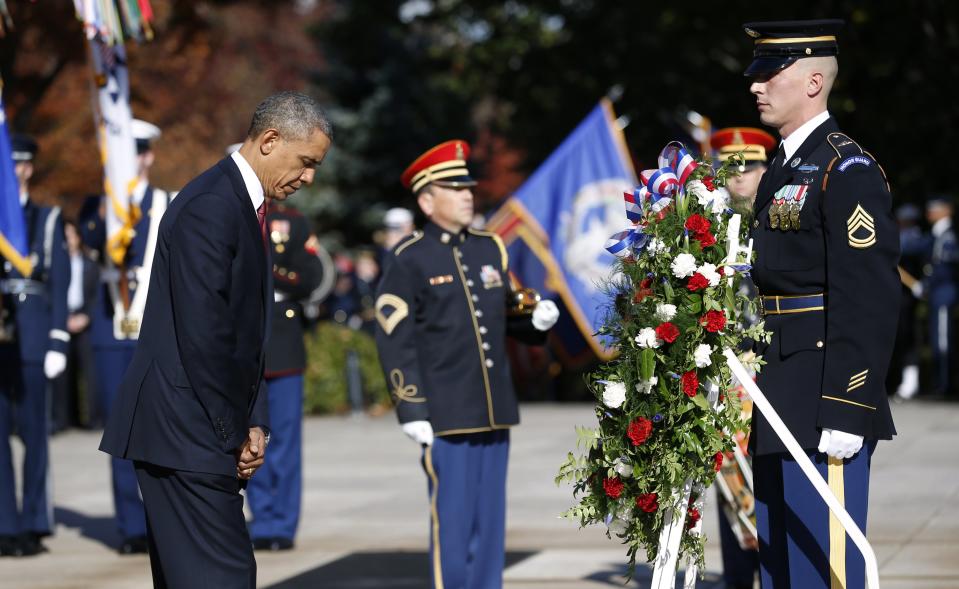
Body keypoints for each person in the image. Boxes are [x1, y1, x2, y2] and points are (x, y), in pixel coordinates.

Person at [99, 92, 333, 587]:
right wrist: (236, 431)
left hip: (197, 431)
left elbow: (247, 338)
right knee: (223, 577)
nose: (310, 177)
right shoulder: (213, 205)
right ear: (270, 141)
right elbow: (205, 333)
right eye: (307, 162)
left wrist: (258, 422)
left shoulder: (240, 204)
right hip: (187, 432)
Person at [743, 20, 899, 588]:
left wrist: (848, 404)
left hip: (820, 397)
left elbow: (869, 295)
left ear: (813, 80)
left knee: (826, 568)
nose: (756, 86)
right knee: (782, 564)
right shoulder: (782, 167)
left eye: (769, 74)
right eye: (755, 74)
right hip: (778, 389)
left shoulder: (845, 168)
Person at [374, 140, 560, 589]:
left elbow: (505, 312)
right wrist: (411, 408)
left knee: (490, 522)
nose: (465, 195)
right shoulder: (409, 259)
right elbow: (394, 339)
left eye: (466, 187)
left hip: (492, 406)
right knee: (453, 524)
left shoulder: (488, 247)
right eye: (452, 188)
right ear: (425, 199)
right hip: (445, 412)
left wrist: (534, 321)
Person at [79, 119, 169, 554]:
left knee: (161, 428)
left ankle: (162, 519)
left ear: (148, 155)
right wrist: (109, 208)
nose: (129, 161)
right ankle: (131, 526)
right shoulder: (99, 205)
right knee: (120, 431)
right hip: (111, 326)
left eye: (135, 153)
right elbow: (92, 241)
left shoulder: (167, 202)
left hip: (154, 327)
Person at [709, 126, 775, 589]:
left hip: (771, 369)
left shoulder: (779, 221)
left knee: (771, 477)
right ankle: (738, 576)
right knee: (729, 479)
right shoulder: (707, 230)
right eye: (729, 168)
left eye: (747, 167)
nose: (738, 177)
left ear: (764, 169)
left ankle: (773, 571)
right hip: (725, 373)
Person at [0, 134, 69, 556]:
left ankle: (34, 522)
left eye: (23, 163)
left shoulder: (46, 218)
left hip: (34, 337)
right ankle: (5, 525)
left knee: (35, 438)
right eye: (12, 163)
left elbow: (58, 283)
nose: (18, 170)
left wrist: (58, 340)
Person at [246, 199, 324, 552]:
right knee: (251, 440)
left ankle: (284, 522)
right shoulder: (230, 216)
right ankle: (262, 520)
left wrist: (265, 268)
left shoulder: (292, 220)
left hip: (283, 340)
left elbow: (310, 276)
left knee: (286, 443)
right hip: (245, 345)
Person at [51, 220, 100, 432]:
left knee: (88, 372)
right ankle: (62, 419)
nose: (69, 240)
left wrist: (85, 317)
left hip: (83, 319)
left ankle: (90, 418)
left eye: (72, 235)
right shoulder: (55, 262)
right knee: (61, 373)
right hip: (62, 319)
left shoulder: (89, 263)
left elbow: (95, 296)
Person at [890, 204, 927, 400]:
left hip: (907, 297)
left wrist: (919, 285)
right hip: (894, 295)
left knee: (907, 338)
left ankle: (910, 383)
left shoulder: (917, 240)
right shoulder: (896, 237)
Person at [922, 197, 957, 397]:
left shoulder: (947, 236)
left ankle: (945, 386)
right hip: (937, 295)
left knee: (943, 342)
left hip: (944, 294)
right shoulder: (937, 236)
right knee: (937, 339)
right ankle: (940, 384)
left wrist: (927, 283)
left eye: (934, 210)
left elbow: (944, 269)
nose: (929, 214)